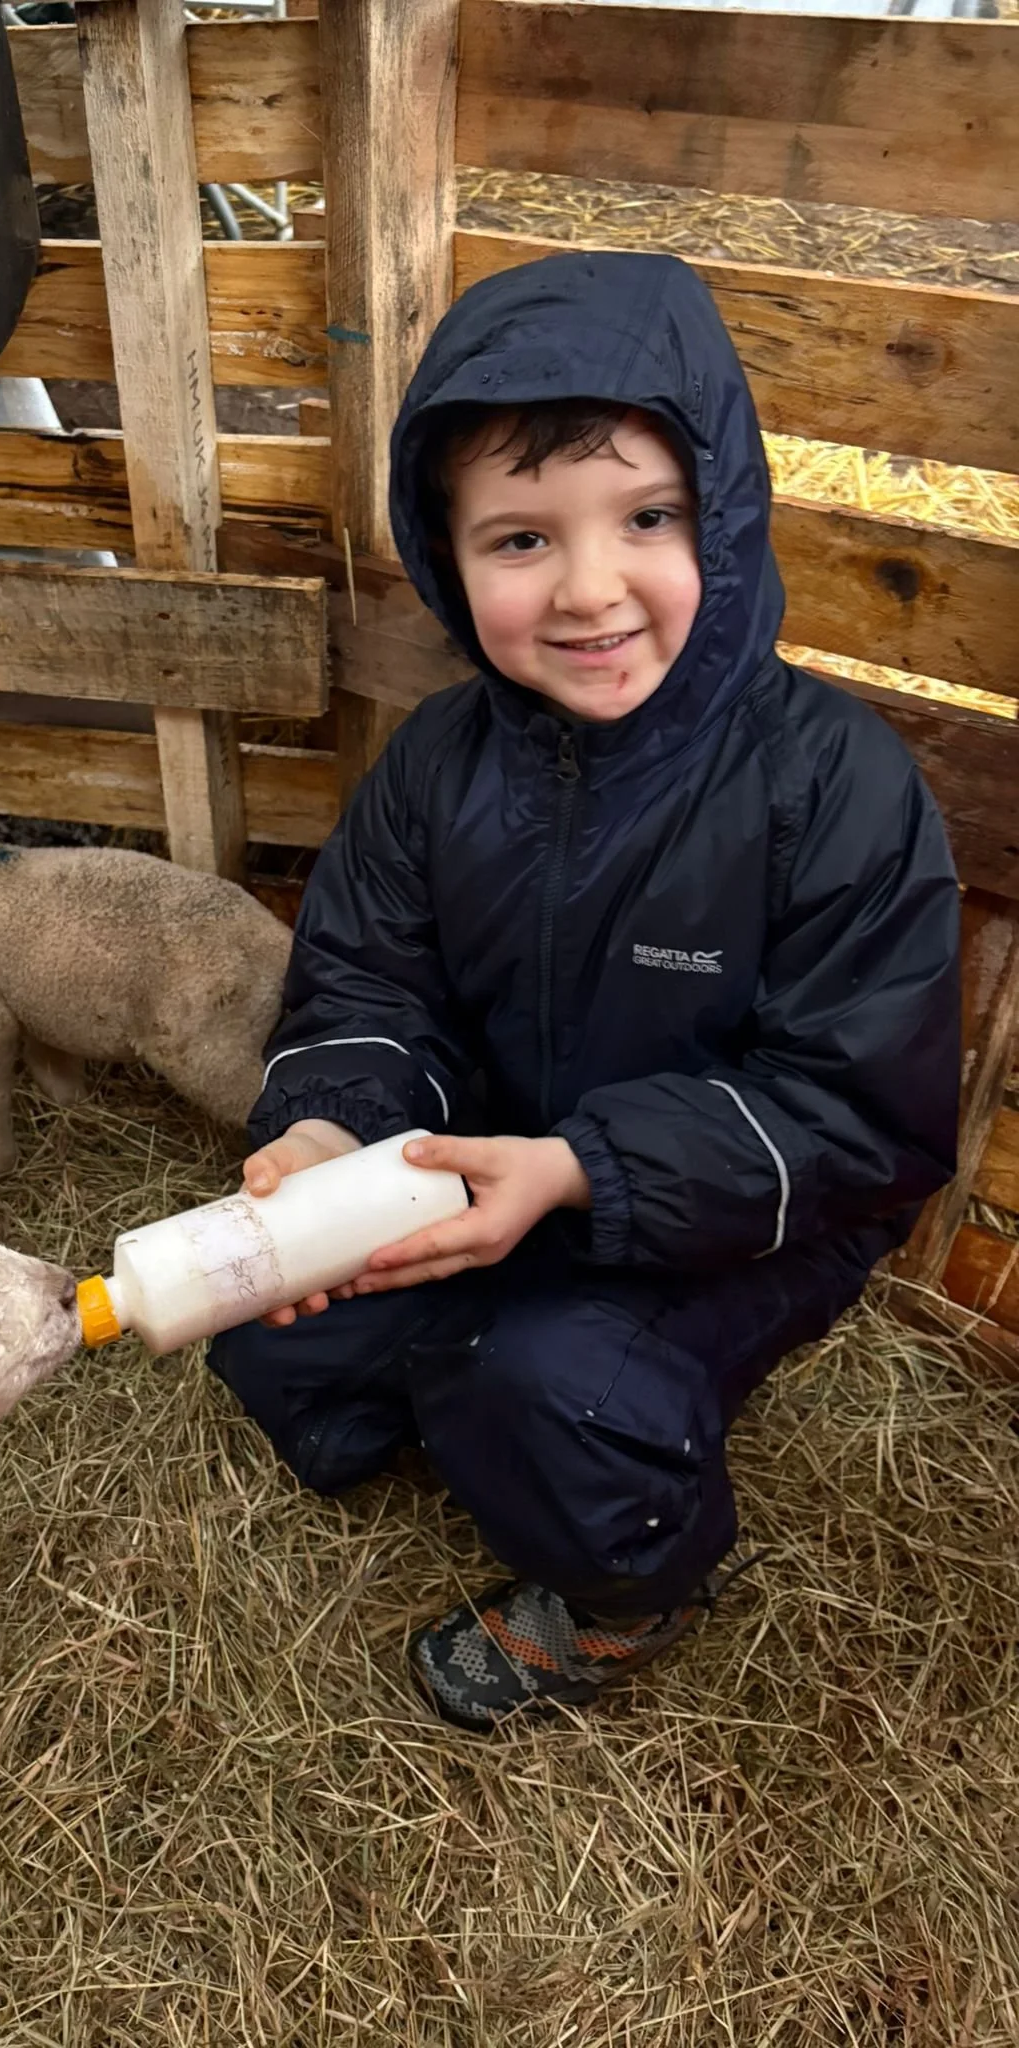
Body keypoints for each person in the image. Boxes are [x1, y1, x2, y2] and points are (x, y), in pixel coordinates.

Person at [209, 251, 961, 1730]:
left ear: (725, 516)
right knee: (274, 1335)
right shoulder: (435, 767)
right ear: (445, 553)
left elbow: (862, 1115)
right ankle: (468, 1381)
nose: (590, 588)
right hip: (495, 1149)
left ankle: (632, 1590)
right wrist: (329, 1138)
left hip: (738, 1220)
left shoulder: (831, 784)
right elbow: (369, 981)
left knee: (548, 1379)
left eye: (648, 518)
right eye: (521, 540)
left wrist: (577, 1173)